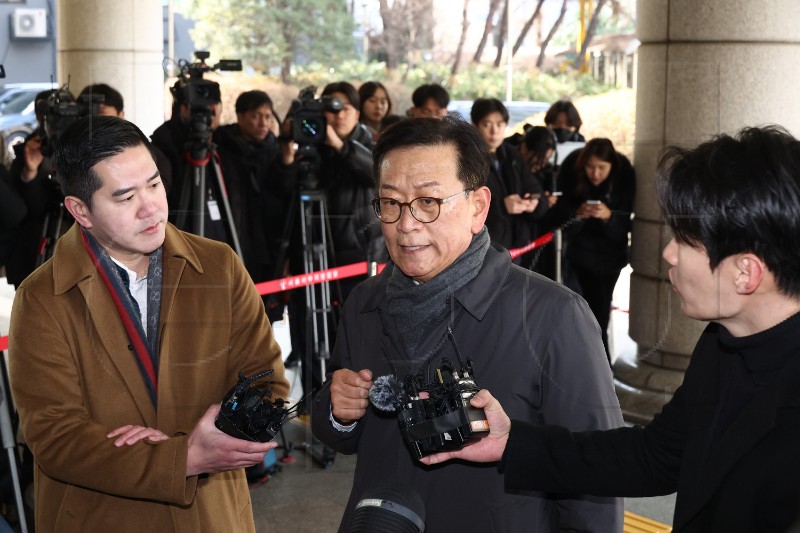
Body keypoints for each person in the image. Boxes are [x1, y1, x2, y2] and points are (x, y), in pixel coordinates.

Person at [421, 125, 800, 532]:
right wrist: (512, 443)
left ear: (746, 273)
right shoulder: (724, 343)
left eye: (687, 240)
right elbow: (656, 456)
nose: (668, 253)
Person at [310, 116, 623, 532]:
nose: (406, 224)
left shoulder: (553, 316)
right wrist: (337, 412)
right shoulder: (363, 304)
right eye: (390, 202)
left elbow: (593, 476)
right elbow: (340, 434)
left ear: (478, 207)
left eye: (428, 202)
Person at [8, 116, 289, 532]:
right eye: (124, 198)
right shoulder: (43, 298)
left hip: (210, 516)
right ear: (79, 210)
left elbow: (268, 383)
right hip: (102, 517)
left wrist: (222, 433)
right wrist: (182, 457)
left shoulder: (218, 266)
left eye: (154, 184)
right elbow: (54, 436)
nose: (151, 207)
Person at [277, 81, 385, 397]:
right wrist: (287, 149)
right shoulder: (310, 147)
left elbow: (376, 174)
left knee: (352, 331)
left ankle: (356, 398)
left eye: (343, 109)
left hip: (356, 254)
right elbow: (280, 189)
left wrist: (338, 144)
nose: (336, 117)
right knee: (308, 325)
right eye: (329, 110)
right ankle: (314, 398)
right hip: (311, 251)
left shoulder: (369, 143)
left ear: (356, 111)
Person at [551, 138, 635, 360]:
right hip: (579, 256)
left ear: (611, 167)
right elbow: (560, 216)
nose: (595, 173)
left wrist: (609, 217)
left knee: (601, 313)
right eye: (590, 167)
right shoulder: (571, 171)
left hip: (611, 258)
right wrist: (578, 215)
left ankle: (600, 364)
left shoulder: (623, 176)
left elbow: (626, 222)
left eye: (601, 168)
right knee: (582, 313)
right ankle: (594, 363)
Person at [213, 90, 288, 321]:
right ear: (240, 115)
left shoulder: (276, 150)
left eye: (267, 116)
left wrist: (287, 161)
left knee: (266, 312)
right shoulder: (221, 148)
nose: (263, 122)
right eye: (256, 116)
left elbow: (284, 193)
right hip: (234, 236)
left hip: (268, 240)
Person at [470, 98, 546, 263]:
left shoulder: (512, 155)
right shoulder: (468, 158)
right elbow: (465, 205)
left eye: (500, 124)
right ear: (475, 125)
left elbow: (536, 191)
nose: (494, 131)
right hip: (483, 249)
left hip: (517, 248)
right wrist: (502, 206)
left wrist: (534, 202)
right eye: (487, 124)